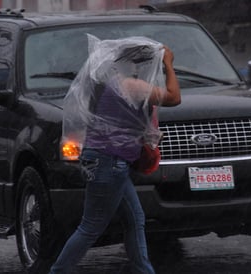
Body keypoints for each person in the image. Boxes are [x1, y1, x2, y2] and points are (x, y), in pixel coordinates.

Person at [48, 35, 180, 274]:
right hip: (109, 162)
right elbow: (173, 97)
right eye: (144, 63)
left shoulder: (110, 84)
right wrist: (169, 64)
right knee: (90, 227)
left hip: (107, 160)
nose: (146, 69)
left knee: (134, 219)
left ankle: (144, 270)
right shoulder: (129, 85)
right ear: (132, 64)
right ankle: (57, 271)